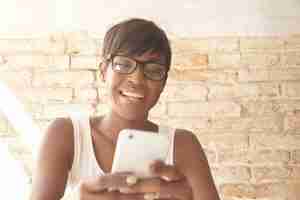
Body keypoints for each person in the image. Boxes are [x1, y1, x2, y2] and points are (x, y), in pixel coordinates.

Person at [30, 18, 220, 200]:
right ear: (104, 71)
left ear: (163, 83)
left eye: (153, 70)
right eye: (123, 64)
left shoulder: (183, 144)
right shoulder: (66, 134)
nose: (137, 79)